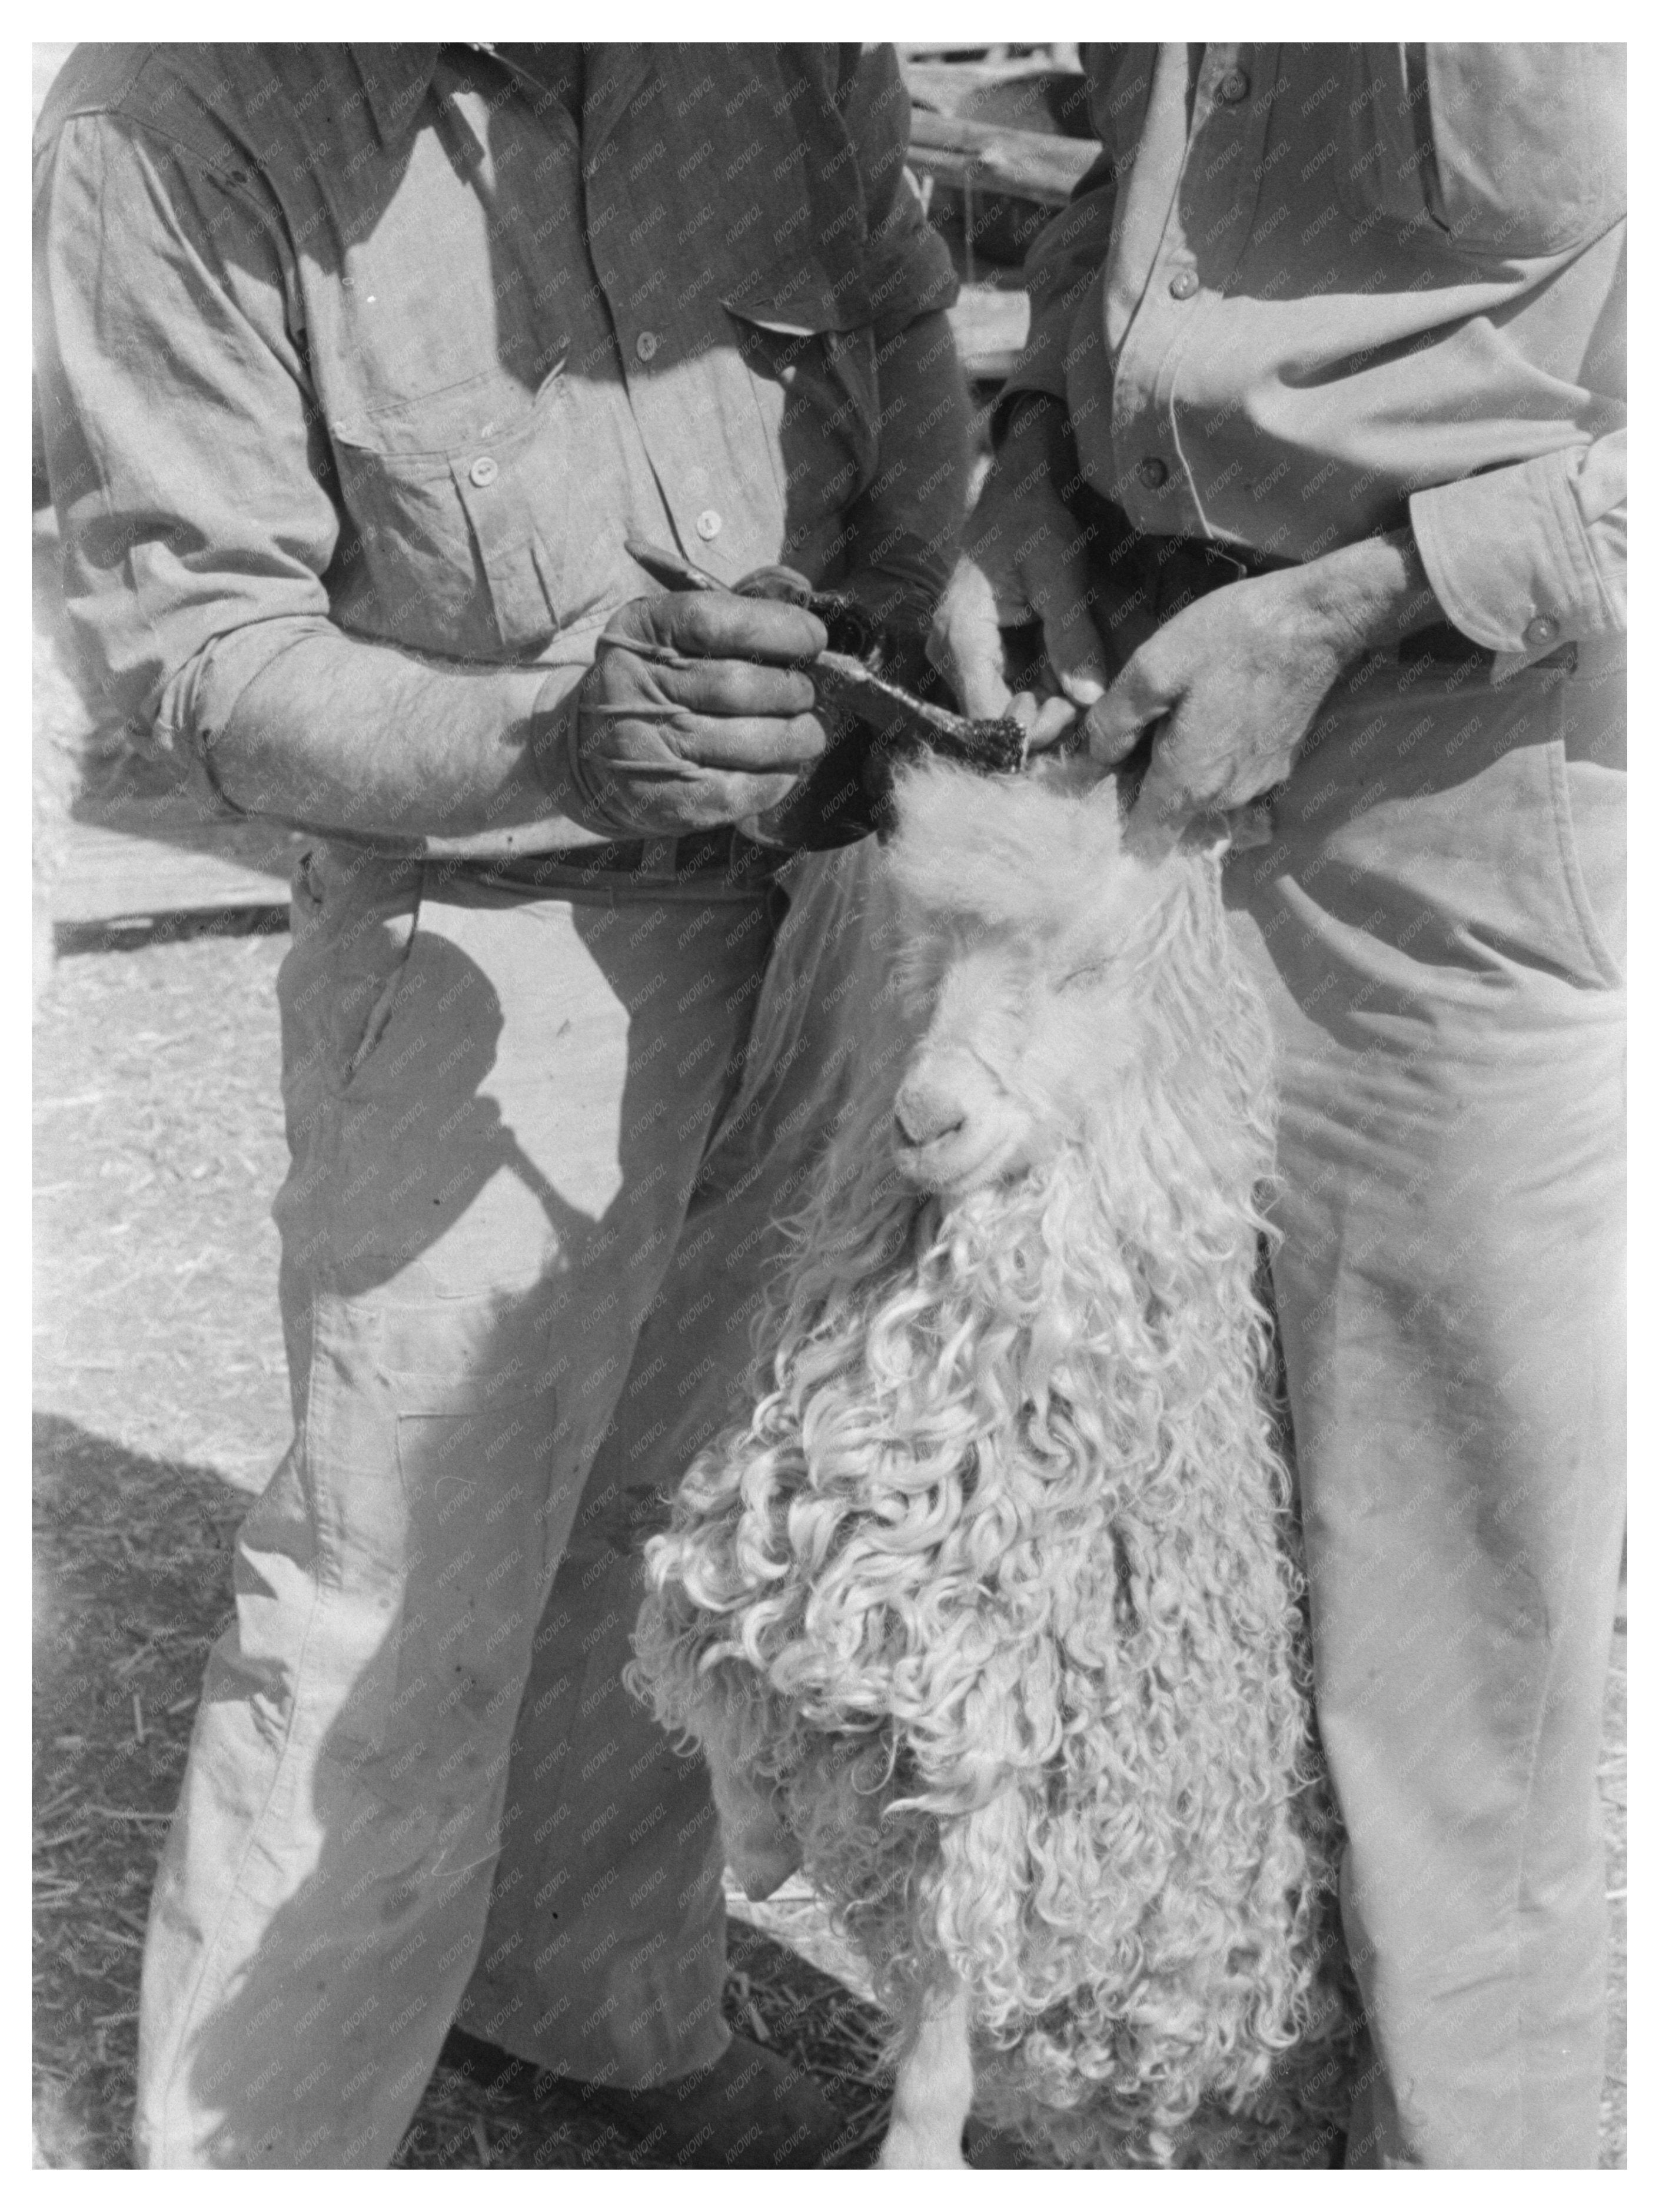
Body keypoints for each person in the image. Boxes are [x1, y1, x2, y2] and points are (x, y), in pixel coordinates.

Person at [34, 41, 969, 2167]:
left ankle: (592, 2011)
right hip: (485, 923)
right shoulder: (179, 122)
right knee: (387, 1586)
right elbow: (198, 652)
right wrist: (553, 741)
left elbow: (902, 316)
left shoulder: (780, 59)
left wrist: (908, 594)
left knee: (676, 1509)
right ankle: (257, 2147)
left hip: (820, 884)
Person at [932, 42, 1625, 2170]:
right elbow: (1110, 213)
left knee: (1440, 1614)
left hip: (1458, 748)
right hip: (1146, 718)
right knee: (1123, 1538)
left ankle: (1475, 2149)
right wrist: (1033, 451)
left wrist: (1352, 599)